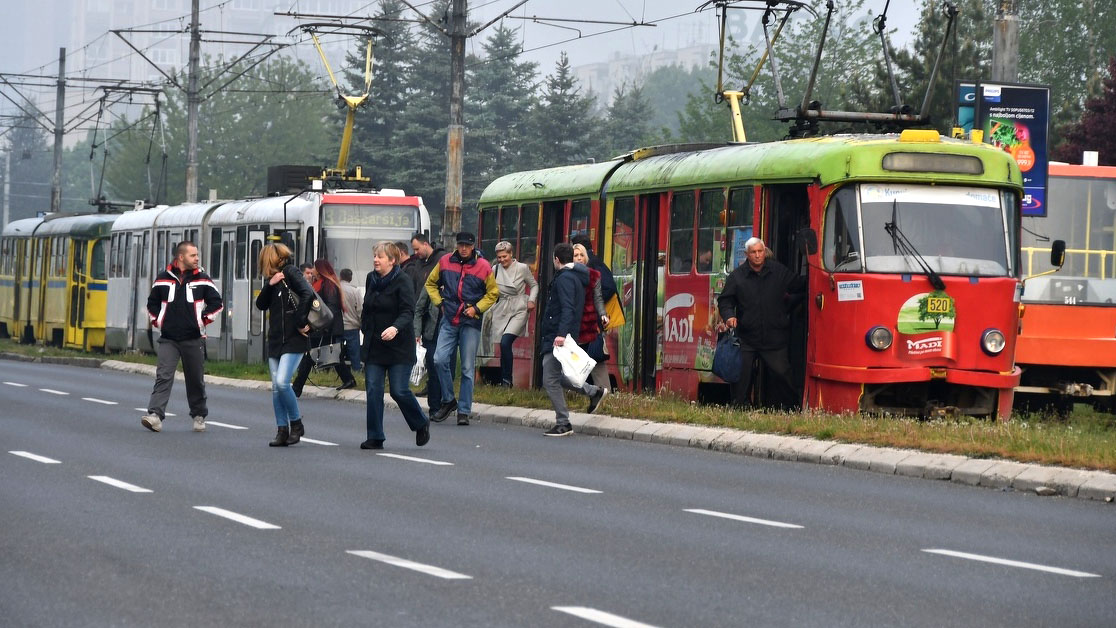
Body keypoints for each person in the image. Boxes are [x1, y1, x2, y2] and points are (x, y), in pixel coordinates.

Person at [141, 241, 223, 433]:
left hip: (194, 338)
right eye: (193, 255)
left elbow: (217, 303)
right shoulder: (162, 279)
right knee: (163, 376)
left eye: (197, 255)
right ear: (181, 257)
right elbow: (152, 304)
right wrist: (159, 321)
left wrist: (202, 321)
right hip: (168, 338)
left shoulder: (203, 280)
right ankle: (155, 416)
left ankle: (199, 415)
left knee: (195, 379)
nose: (197, 258)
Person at [716, 237, 806, 408]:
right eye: (753, 252)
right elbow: (725, 300)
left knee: (783, 374)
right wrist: (729, 316)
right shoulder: (737, 276)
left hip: (774, 336)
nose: (757, 255)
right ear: (746, 254)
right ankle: (740, 407)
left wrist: (819, 276)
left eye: (760, 251)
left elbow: (797, 284)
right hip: (746, 337)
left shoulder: (778, 271)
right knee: (742, 376)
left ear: (764, 252)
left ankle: (791, 408)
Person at [360, 241, 431, 450]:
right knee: (373, 390)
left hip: (398, 346)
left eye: (380, 257)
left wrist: (395, 328)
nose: (375, 260)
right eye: (375, 256)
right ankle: (375, 436)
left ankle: (421, 423)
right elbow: (367, 307)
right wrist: (365, 327)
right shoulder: (371, 278)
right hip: (375, 345)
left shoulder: (403, 280)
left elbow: (408, 311)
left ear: (392, 261)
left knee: (398, 391)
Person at [425, 231, 499, 426]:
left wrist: (477, 308)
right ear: (456, 245)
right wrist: (439, 303)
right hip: (449, 319)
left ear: (473, 246)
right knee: (439, 359)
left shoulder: (484, 266)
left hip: (470, 322)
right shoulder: (445, 262)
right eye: (461, 245)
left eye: (467, 245)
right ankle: (449, 400)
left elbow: (493, 293)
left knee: (467, 368)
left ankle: (464, 411)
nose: (464, 248)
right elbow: (430, 283)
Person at [538, 243, 607, 436]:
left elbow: (567, 308)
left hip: (558, 336)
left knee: (549, 379)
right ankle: (593, 392)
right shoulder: (575, 277)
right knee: (555, 375)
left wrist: (561, 334)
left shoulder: (565, 278)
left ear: (556, 259)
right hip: (561, 334)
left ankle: (563, 423)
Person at [254, 243, 314, 447]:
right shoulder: (273, 280)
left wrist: (300, 321)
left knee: (282, 382)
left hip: (294, 338)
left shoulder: (291, 272)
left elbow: (307, 293)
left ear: (271, 259)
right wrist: (269, 285)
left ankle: (296, 424)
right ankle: (282, 429)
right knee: (275, 388)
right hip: (276, 339)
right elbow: (261, 304)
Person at [292, 259, 357, 396]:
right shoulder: (322, 284)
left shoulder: (328, 285)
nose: (313, 270)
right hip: (322, 327)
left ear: (320, 270)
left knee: (311, 356)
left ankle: (297, 388)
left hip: (325, 327)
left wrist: (322, 326)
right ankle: (349, 379)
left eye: (315, 268)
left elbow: (330, 308)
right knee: (332, 355)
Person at [488, 241, 538, 387]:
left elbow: (534, 285)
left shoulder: (522, 268)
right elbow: (489, 288)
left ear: (511, 254)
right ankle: (504, 381)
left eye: (505, 256)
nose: (502, 260)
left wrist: (531, 300)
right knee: (503, 345)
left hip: (519, 308)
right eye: (499, 257)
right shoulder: (495, 269)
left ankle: (507, 380)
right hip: (502, 308)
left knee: (506, 341)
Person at [406, 233, 449, 401]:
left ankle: (443, 396)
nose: (415, 252)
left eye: (417, 249)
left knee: (440, 360)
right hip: (424, 316)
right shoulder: (418, 263)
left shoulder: (442, 258)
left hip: (439, 315)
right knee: (431, 361)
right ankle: (435, 397)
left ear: (425, 244)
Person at [571, 235, 617, 392]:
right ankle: (581, 392)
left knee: (595, 358)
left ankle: (603, 392)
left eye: (581, 255)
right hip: (576, 324)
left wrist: (602, 314)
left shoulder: (594, 271)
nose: (579, 258)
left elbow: (601, 295)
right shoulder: (568, 274)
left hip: (590, 323)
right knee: (577, 359)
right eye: (575, 255)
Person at [339, 268, 363, 373]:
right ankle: (356, 370)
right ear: (350, 278)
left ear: (340, 277)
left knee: (336, 353)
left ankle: (339, 370)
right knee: (354, 353)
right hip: (352, 326)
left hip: (338, 326)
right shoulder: (355, 291)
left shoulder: (335, 288)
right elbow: (360, 309)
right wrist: (362, 324)